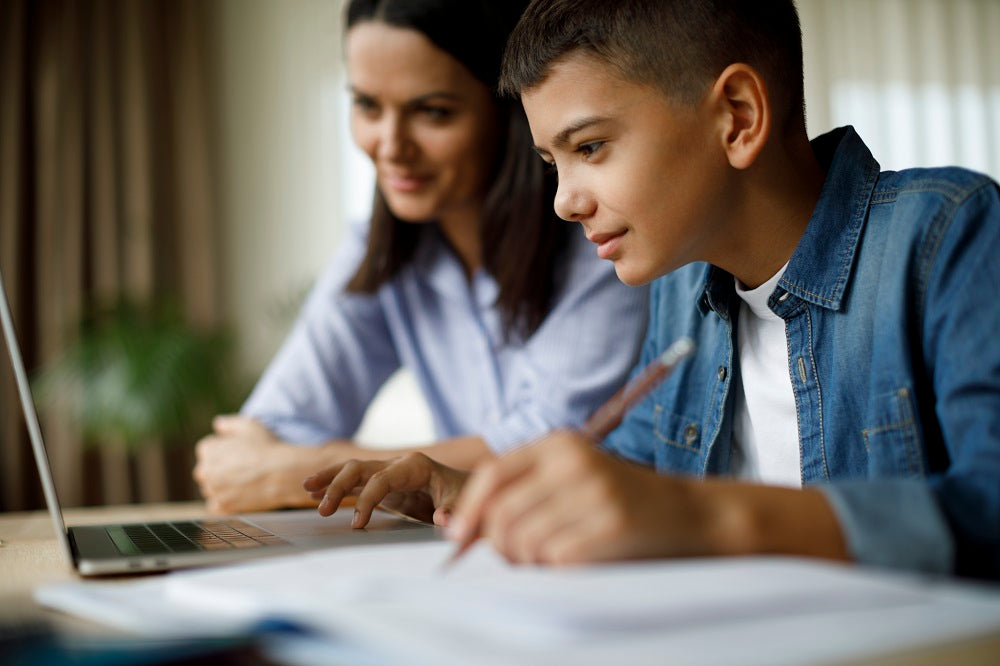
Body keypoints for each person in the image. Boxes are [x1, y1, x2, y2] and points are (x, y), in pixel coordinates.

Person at [305, 0, 1000, 579]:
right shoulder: (683, 291)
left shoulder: (948, 235)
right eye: (552, 163)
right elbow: (626, 472)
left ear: (737, 115)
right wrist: (473, 490)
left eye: (590, 148)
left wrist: (705, 516)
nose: (564, 202)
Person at [193, 0, 648, 515]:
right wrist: (274, 462)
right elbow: (268, 434)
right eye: (367, 106)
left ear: (510, 112)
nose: (390, 146)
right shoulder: (382, 251)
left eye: (432, 112)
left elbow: (542, 449)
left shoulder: (602, 241)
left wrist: (298, 471)